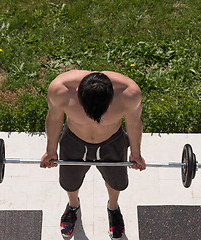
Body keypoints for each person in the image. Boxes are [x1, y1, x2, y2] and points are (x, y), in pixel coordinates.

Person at [40, 70, 146, 239]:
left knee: (116, 183)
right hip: (74, 141)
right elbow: (54, 118)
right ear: (77, 93)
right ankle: (73, 206)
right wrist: (51, 150)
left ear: (112, 95)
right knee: (70, 182)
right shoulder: (60, 90)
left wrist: (135, 153)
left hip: (112, 142)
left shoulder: (129, 94)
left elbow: (134, 123)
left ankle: (113, 207)